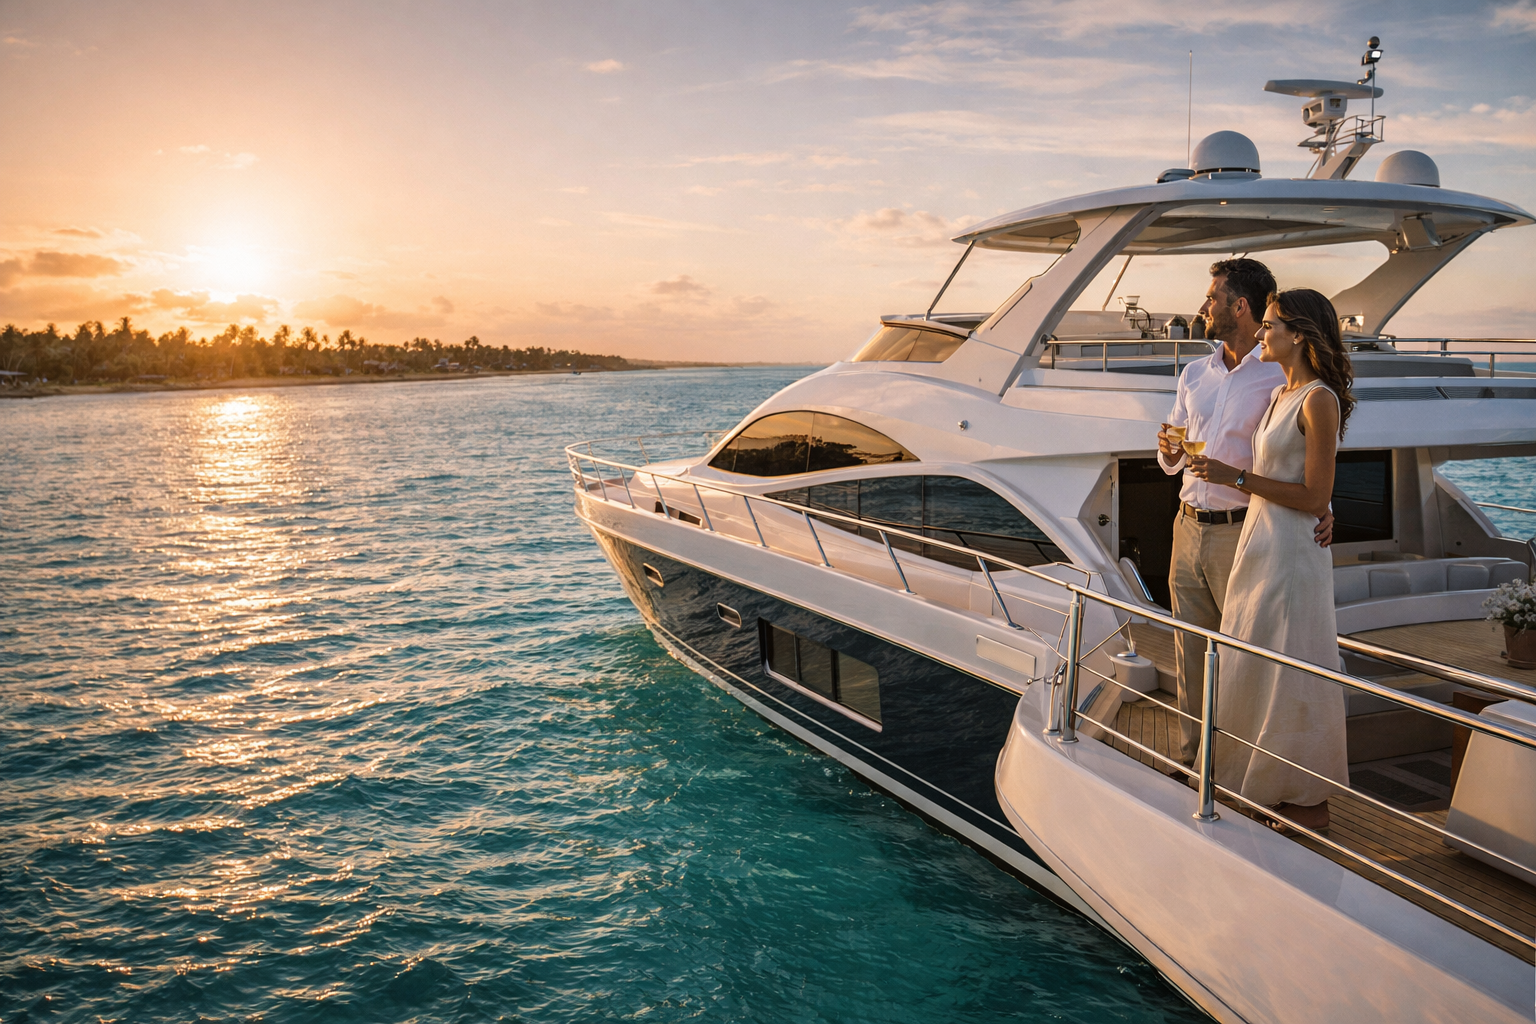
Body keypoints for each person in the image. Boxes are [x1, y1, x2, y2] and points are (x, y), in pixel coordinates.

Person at [1189, 288, 1356, 832]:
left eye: (1269, 326)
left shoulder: (1318, 400)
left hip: (1291, 556)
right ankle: (1259, 785)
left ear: (1299, 335)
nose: (1261, 334)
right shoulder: (1282, 395)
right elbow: (1301, 488)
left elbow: (1312, 495)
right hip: (1261, 546)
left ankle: (1308, 800)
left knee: (1292, 672)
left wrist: (1232, 477)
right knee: (1256, 663)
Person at [1156, 259, 1333, 767]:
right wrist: (1167, 453)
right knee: (1191, 652)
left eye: (1212, 296)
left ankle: (1237, 767)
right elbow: (1174, 445)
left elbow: (1296, 449)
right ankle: (1196, 763)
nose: (1202, 306)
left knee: (1242, 656)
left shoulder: (1279, 376)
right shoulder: (1194, 372)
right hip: (1187, 526)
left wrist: (1324, 506)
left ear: (1239, 305)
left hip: (1245, 531)